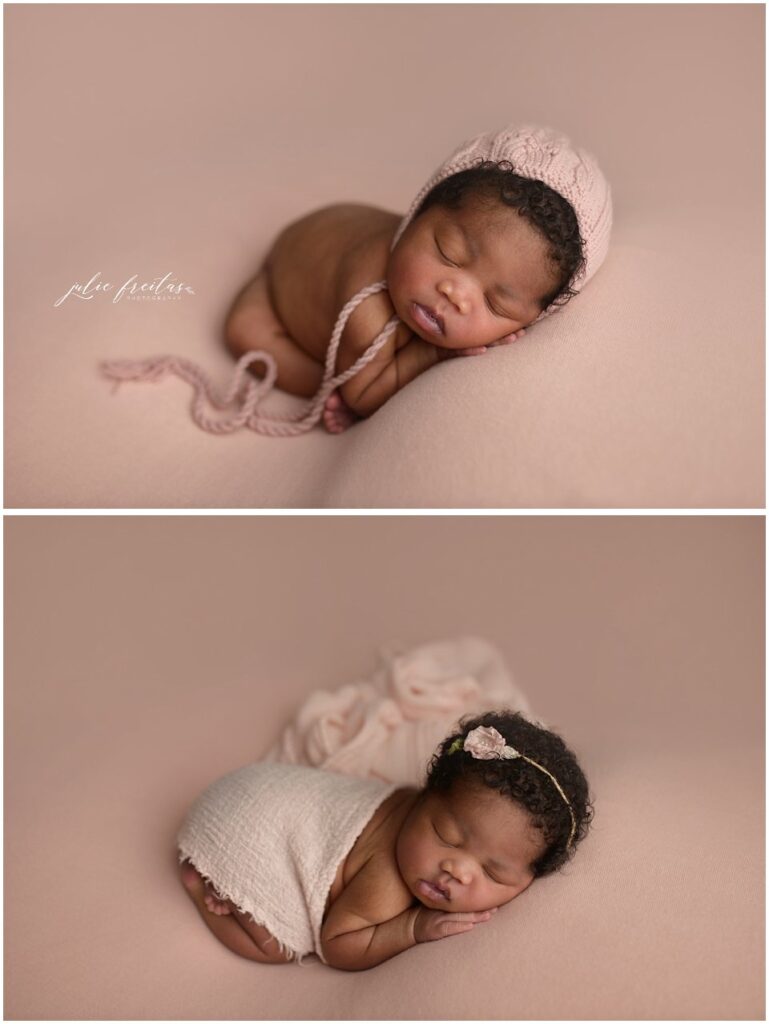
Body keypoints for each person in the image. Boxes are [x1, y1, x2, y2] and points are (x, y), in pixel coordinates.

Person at [223, 123, 612, 433]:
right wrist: (431, 353)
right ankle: (323, 386)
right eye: (448, 252)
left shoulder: (431, 265)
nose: (456, 294)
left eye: (497, 303)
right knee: (245, 331)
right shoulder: (367, 308)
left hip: (339, 225)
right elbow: (365, 395)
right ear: (416, 213)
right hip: (283, 275)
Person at [178, 710, 593, 970]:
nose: (457, 870)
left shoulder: (423, 813)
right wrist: (411, 927)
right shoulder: (388, 883)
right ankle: (205, 887)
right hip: (242, 826)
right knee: (273, 948)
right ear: (424, 794)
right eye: (444, 835)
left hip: (256, 786)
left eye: (492, 872)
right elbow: (337, 945)